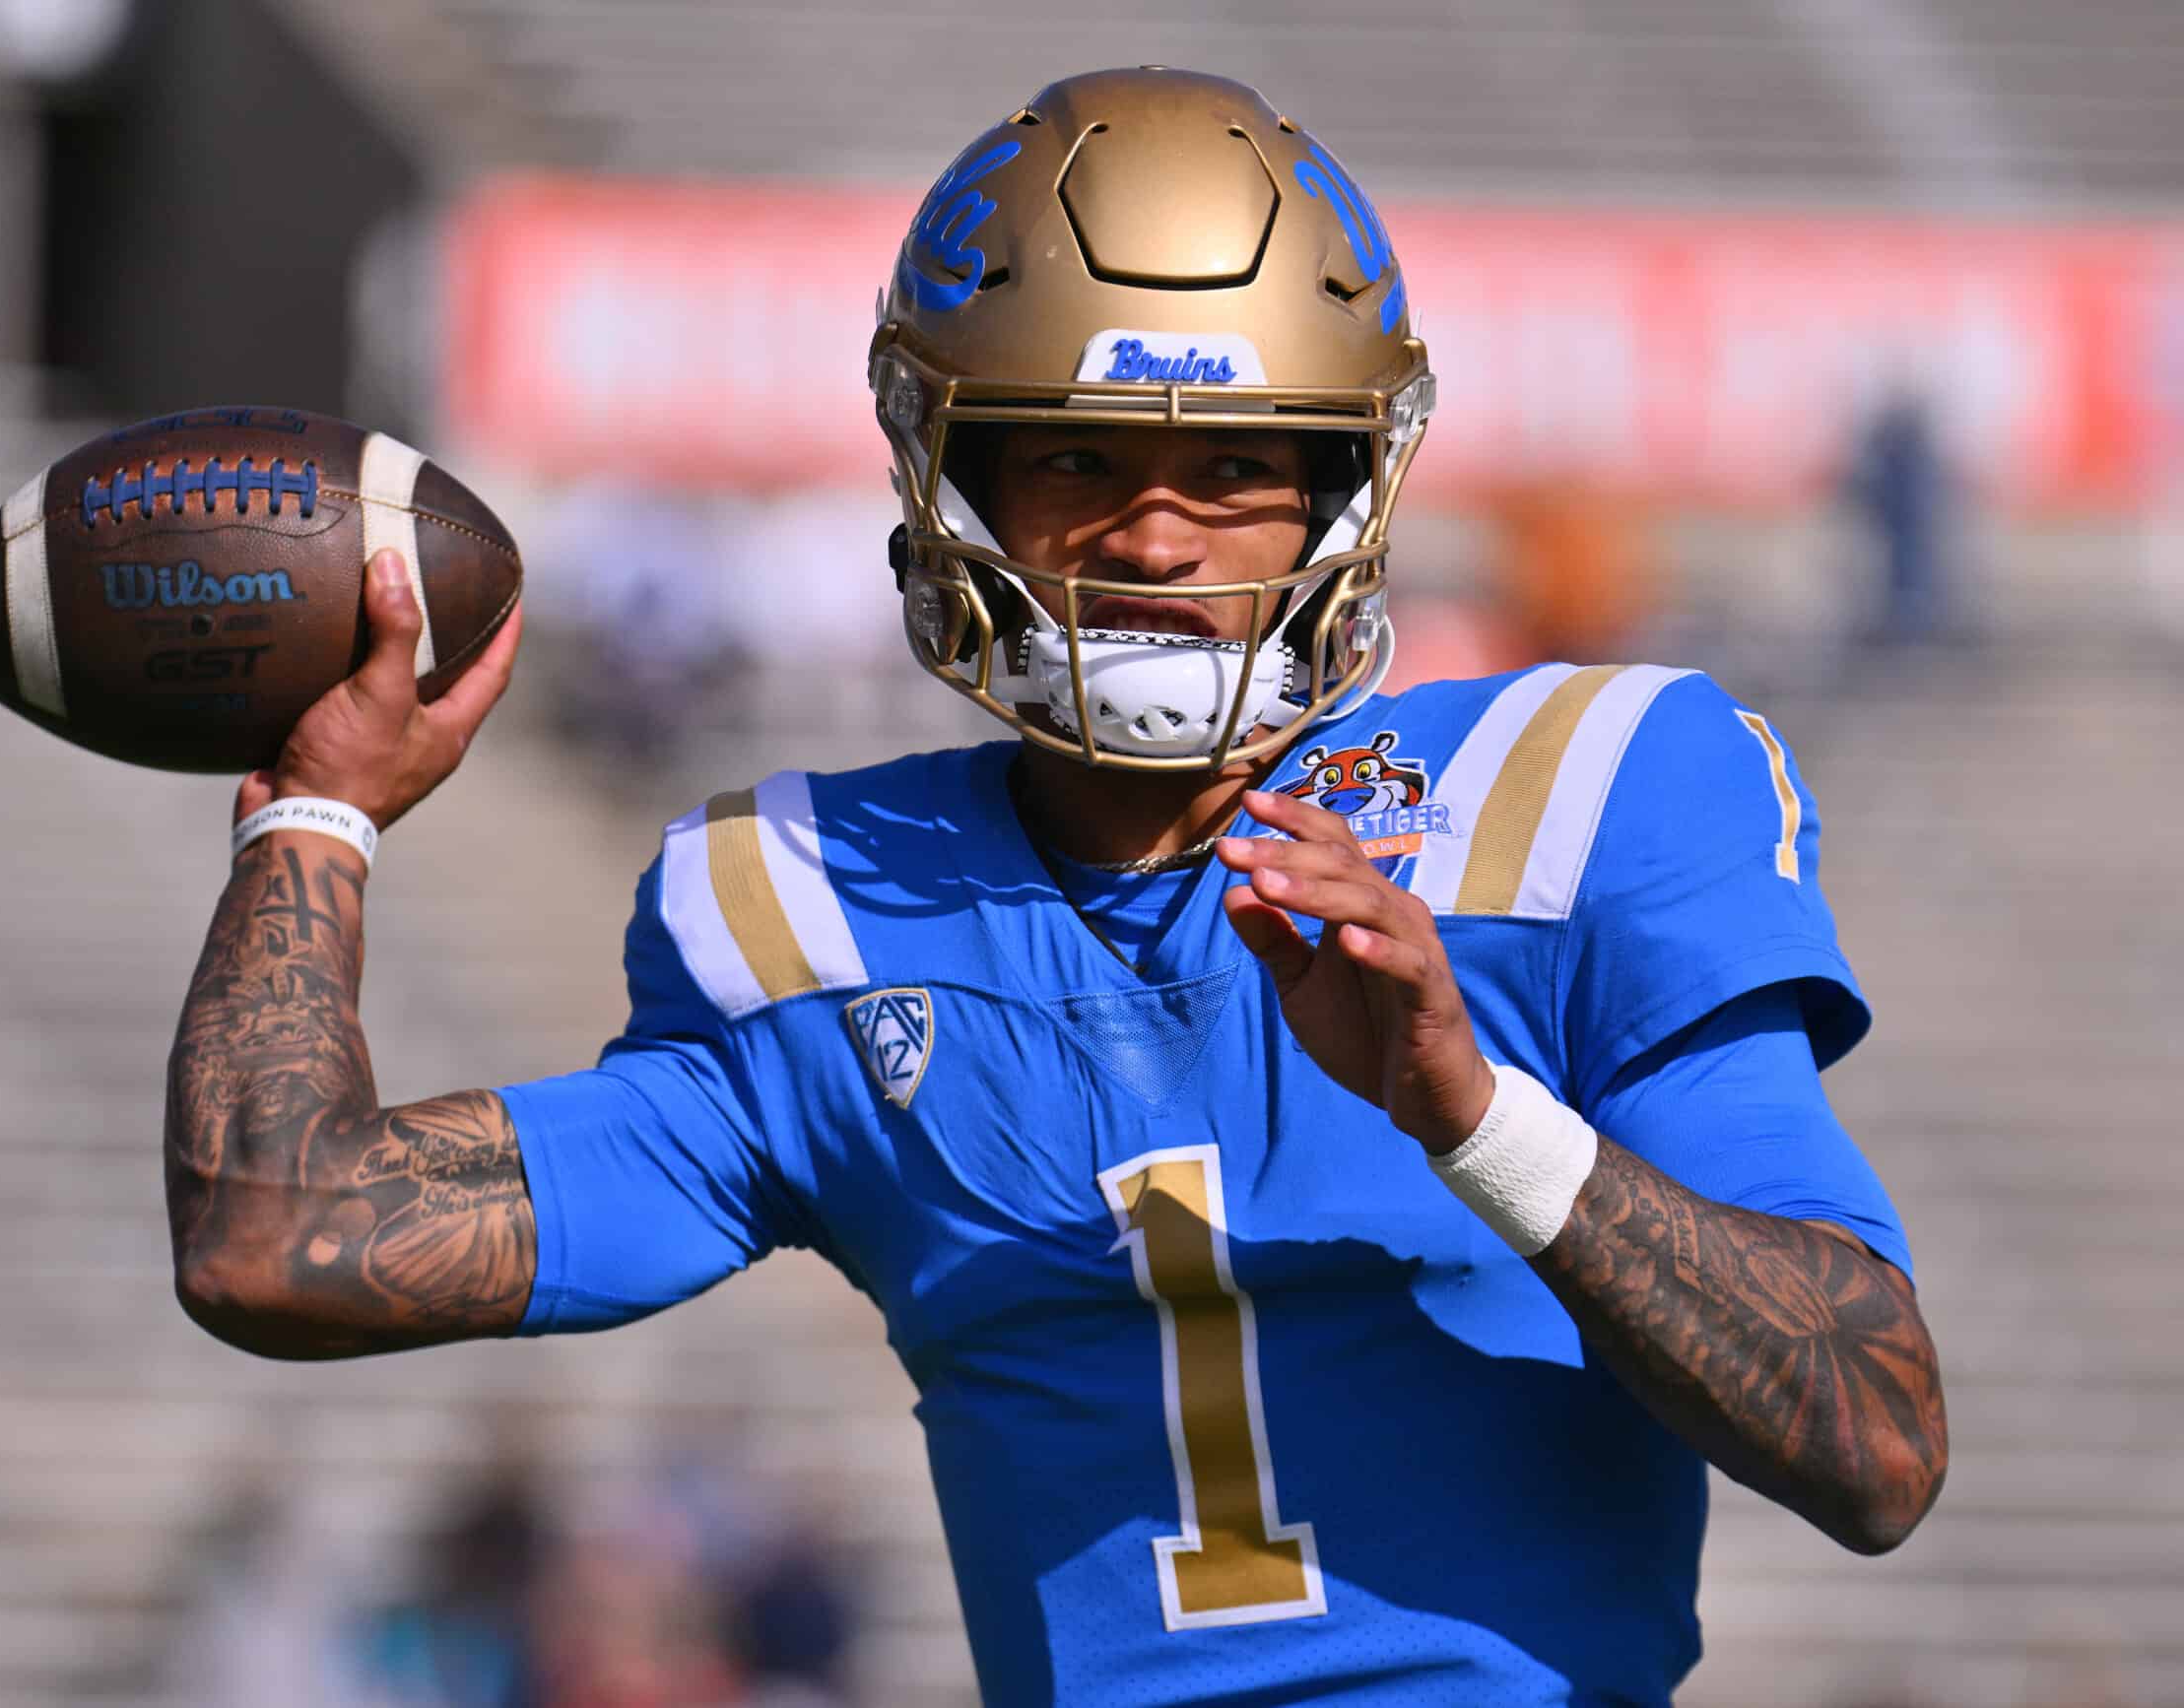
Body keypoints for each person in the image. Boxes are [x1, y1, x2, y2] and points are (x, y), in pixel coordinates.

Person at [163, 68, 1947, 1706]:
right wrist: (313, 817)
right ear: (958, 482)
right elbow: (278, 1237)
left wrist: (1476, 1113)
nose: (1157, 536)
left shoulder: (1579, 802)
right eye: (1078, 457)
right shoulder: (809, 907)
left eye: (1237, 466)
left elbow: (1874, 1433)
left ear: (1348, 482)